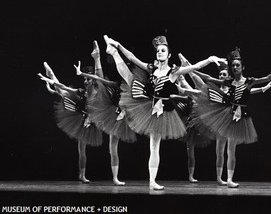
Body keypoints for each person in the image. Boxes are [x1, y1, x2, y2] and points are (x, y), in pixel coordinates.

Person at [103, 34, 224, 190]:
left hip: (161, 110)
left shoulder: (173, 72)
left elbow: (195, 67)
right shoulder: (151, 68)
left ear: (169, 55)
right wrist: (118, 45)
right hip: (146, 100)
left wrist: (210, 59)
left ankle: (152, 181)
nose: (159, 52)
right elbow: (132, 58)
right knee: (129, 77)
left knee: (154, 146)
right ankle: (113, 52)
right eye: (158, 50)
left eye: (163, 50)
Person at [191, 47, 271, 188]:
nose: (235, 67)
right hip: (227, 114)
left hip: (240, 116)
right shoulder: (228, 82)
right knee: (221, 148)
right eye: (233, 65)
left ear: (243, 67)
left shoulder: (249, 81)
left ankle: (229, 179)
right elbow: (208, 78)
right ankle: (220, 178)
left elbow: (265, 78)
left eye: (237, 65)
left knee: (231, 149)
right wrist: (189, 70)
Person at [73, 41, 137, 185]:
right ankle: (82, 174)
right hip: (102, 110)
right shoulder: (115, 85)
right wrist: (90, 65)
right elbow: (98, 78)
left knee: (113, 147)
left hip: (116, 113)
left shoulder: (133, 84)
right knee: (84, 144)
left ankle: (115, 178)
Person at [39, 62, 102, 183]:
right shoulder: (82, 91)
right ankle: (82, 175)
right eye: (84, 79)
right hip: (80, 111)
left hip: (93, 117)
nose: (85, 81)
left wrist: (91, 117)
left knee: (83, 149)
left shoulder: (97, 91)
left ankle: (82, 175)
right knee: (64, 92)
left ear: (93, 81)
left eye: (88, 79)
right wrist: (51, 83)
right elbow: (64, 87)